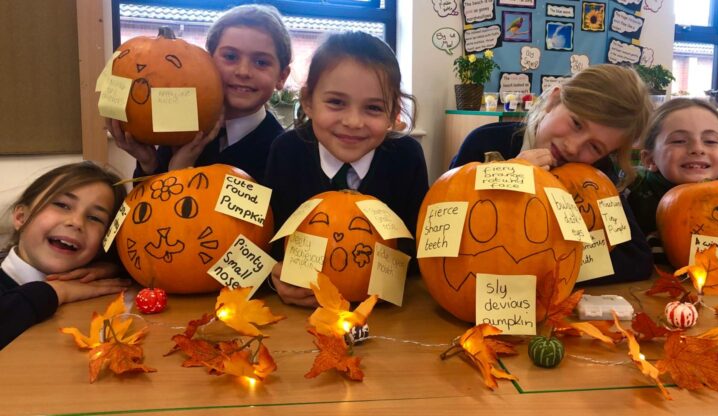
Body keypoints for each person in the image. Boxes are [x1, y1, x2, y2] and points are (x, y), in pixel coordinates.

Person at [264, 31, 428, 306]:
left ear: (393, 112)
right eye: (336, 103)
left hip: (385, 315)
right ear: (308, 102)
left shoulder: (406, 157)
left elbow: (416, 247)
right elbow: (268, 240)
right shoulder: (286, 151)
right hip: (299, 316)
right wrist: (274, 277)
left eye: (373, 108)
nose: (353, 122)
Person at [450, 64, 654, 284]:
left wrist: (550, 266)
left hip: (548, 302)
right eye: (576, 124)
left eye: (595, 147)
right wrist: (504, 179)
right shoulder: (484, 144)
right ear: (554, 100)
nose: (573, 147)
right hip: (480, 299)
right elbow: (446, 236)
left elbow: (635, 257)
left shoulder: (597, 177)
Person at [110, 3, 292, 184]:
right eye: (230, 57)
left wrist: (179, 176)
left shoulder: (285, 153)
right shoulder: (181, 128)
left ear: (282, 77)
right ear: (207, 62)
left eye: (261, 62)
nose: (243, 71)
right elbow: (145, 210)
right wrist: (149, 164)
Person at [1, 162, 131, 349]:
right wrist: (56, 291)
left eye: (95, 218)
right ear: (21, 217)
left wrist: (114, 265)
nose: (76, 222)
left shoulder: (95, 282)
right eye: (62, 205)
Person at [627, 97, 718, 261]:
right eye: (679, 141)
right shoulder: (631, 202)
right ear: (649, 159)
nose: (697, 149)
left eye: (710, 141)